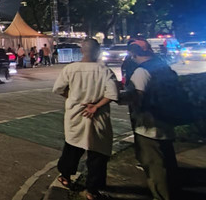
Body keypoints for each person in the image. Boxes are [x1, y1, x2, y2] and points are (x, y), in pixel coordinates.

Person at [52, 38, 120, 200]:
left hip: (76, 115)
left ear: (81, 50)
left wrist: (71, 97)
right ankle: (92, 190)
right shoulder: (104, 71)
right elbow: (113, 94)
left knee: (72, 147)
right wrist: (96, 106)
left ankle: (65, 176)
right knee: (98, 154)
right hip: (98, 118)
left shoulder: (71, 69)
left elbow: (58, 89)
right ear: (98, 51)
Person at [119, 39, 178, 200]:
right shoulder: (162, 67)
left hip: (149, 127)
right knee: (169, 164)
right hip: (166, 121)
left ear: (132, 53)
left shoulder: (141, 72)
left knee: (155, 167)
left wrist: (117, 95)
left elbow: (136, 98)